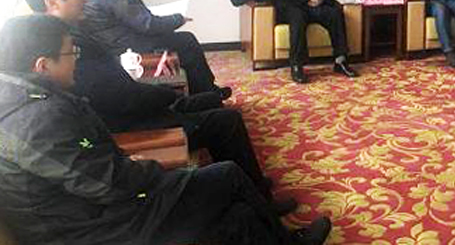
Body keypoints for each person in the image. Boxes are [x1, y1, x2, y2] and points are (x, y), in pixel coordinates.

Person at [0, 14, 332, 245]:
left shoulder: (25, 98)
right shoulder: (37, 119)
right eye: (70, 53)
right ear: (42, 65)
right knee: (228, 175)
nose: (76, 59)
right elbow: (109, 183)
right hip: (90, 228)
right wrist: (151, 168)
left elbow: (92, 172)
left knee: (239, 213)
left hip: (89, 210)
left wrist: (131, 167)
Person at [24, 0, 295, 211]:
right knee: (226, 120)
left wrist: (160, 95)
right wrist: (167, 96)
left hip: (126, 108)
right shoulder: (66, 46)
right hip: (127, 122)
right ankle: (258, 198)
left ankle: (246, 185)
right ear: (52, 2)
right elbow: (117, 97)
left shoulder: (61, 35)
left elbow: (111, 89)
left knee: (209, 101)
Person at [76, 0, 230, 98]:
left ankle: (203, 92)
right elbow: (148, 25)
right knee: (186, 41)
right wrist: (178, 19)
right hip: (127, 47)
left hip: (106, 45)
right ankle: (208, 94)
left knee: (179, 40)